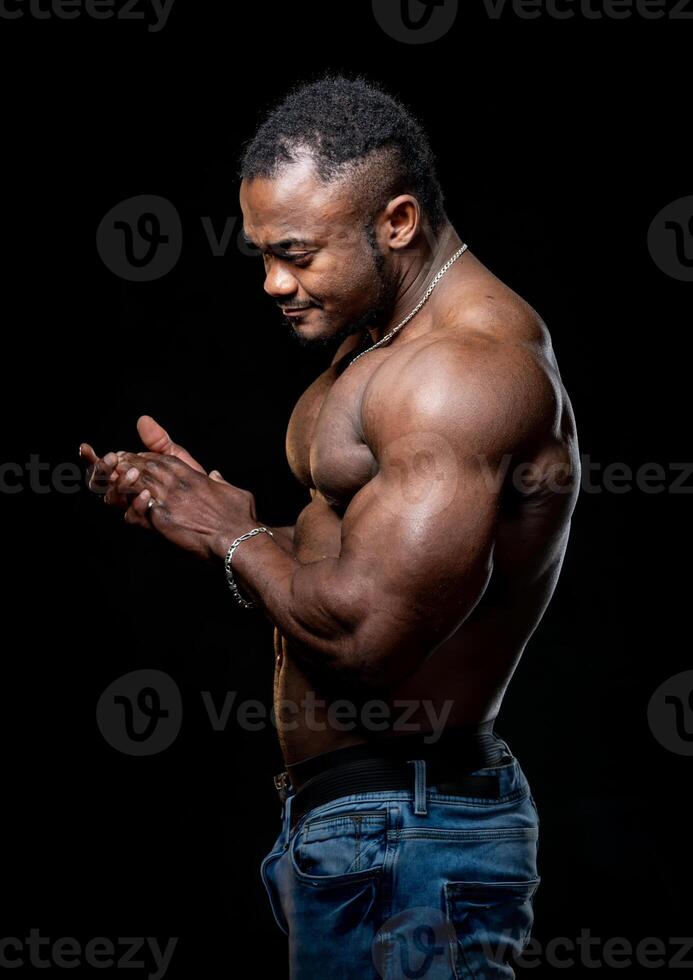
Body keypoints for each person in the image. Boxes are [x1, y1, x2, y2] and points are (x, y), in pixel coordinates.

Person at [80, 72, 580, 979]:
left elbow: (365, 638)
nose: (274, 282)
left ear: (395, 222)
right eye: (262, 254)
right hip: (362, 829)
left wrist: (233, 531)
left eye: (299, 254)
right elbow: (342, 568)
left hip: (414, 836)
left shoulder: (461, 373)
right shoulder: (380, 335)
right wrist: (211, 521)